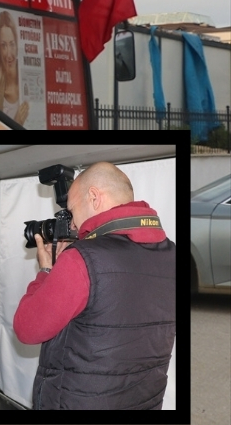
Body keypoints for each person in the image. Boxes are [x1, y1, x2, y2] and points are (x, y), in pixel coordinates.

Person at [14, 162, 175, 410]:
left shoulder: (83, 259)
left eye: (72, 211)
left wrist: (46, 271)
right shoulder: (171, 254)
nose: (74, 225)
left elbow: (27, 328)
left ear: (94, 198)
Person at [0, 11, 29, 125]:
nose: (9, 54)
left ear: (17, 45)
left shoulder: (27, 82)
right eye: (3, 45)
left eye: (12, 44)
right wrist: (16, 123)